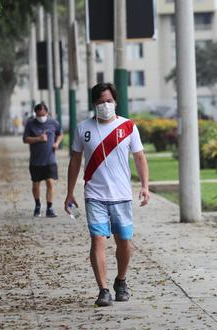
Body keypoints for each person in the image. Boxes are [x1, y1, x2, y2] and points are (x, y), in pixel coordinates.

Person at [64, 83, 150, 307]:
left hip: (121, 195)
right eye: (101, 101)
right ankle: (103, 290)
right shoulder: (83, 128)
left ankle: (120, 281)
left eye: (109, 101)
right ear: (94, 103)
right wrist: (69, 192)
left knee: (124, 243)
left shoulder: (128, 127)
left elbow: (140, 157)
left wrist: (145, 186)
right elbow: (74, 161)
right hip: (95, 195)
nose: (105, 105)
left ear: (116, 102)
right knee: (97, 240)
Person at [23, 103, 63, 217]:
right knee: (36, 184)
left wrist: (57, 143)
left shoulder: (53, 122)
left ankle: (49, 208)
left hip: (50, 159)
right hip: (35, 161)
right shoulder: (30, 124)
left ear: (47, 112)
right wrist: (38, 138)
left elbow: (60, 133)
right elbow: (25, 139)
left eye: (43, 114)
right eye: (38, 115)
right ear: (35, 114)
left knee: (50, 182)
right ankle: (37, 205)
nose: (41, 117)